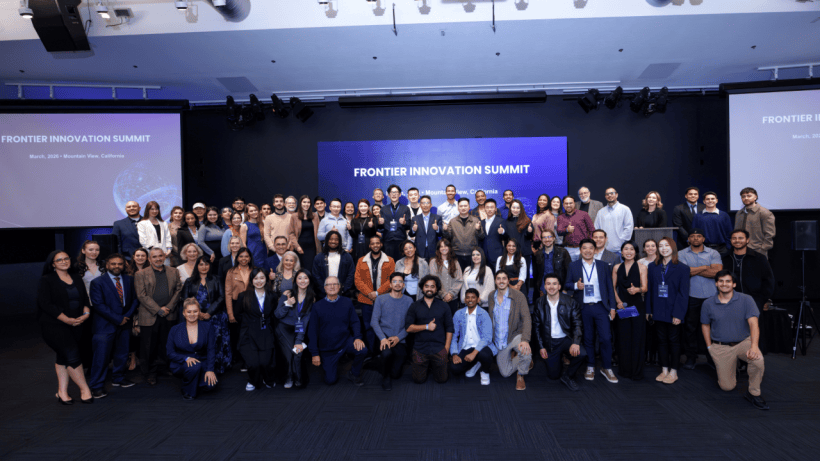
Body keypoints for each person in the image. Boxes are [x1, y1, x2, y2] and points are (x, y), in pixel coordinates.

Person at [701, 271, 768, 410]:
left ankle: (754, 393)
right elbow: (705, 325)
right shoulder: (708, 303)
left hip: (743, 342)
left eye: (728, 281)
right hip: (721, 346)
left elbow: (753, 324)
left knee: (758, 360)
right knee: (727, 387)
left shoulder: (746, 299)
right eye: (721, 281)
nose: (724, 284)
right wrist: (709, 347)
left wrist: (754, 346)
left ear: (734, 284)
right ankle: (733, 366)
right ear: (716, 284)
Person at [38, 250, 94, 404]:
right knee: (72, 355)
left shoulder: (76, 277)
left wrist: (86, 314)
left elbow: (85, 299)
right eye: (59, 260)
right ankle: (85, 389)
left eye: (66, 258)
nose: (64, 261)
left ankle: (62, 392)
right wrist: (66, 320)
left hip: (77, 323)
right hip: (54, 326)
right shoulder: (46, 280)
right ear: (53, 264)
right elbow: (45, 304)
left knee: (63, 357)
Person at [565, 238, 618, 383]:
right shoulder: (573, 265)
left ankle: (607, 367)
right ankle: (590, 365)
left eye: (590, 248)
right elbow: (567, 284)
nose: (587, 251)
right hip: (583, 307)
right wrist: (576, 286)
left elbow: (610, 287)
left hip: (601, 307)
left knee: (606, 338)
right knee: (588, 338)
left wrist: (613, 307)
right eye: (584, 248)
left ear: (595, 250)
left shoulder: (603, 265)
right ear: (580, 250)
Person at [88, 253, 138, 398]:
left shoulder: (129, 280)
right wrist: (118, 319)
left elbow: (135, 300)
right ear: (107, 265)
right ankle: (96, 386)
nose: (117, 266)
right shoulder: (97, 282)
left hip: (125, 323)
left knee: (122, 353)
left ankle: (118, 378)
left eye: (120, 264)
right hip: (104, 325)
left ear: (124, 265)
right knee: (101, 357)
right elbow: (98, 305)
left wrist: (126, 317)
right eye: (113, 264)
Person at [135, 247, 183, 385]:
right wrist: (158, 309)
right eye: (154, 257)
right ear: (149, 259)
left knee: (165, 343)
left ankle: (163, 368)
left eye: (160, 256)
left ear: (164, 257)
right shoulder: (141, 274)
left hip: (169, 314)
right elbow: (141, 295)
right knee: (149, 346)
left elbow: (178, 290)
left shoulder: (174, 271)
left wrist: (168, 307)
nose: (158, 259)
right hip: (149, 315)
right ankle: (150, 372)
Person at [308, 276, 368, 385]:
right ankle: (334, 362)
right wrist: (314, 353)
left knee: (362, 350)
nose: (332, 287)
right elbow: (312, 332)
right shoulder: (317, 307)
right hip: (328, 348)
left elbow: (355, 322)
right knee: (330, 381)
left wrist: (357, 338)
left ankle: (354, 373)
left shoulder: (347, 302)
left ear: (339, 287)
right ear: (324, 288)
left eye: (335, 284)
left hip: (345, 341)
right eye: (328, 284)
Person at [646, 237, 690, 384]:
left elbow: (683, 294)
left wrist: (678, 314)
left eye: (667, 245)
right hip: (658, 310)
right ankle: (664, 369)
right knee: (661, 341)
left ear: (673, 248)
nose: (664, 248)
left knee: (674, 341)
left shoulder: (683, 268)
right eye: (661, 246)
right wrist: (649, 310)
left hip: (674, 311)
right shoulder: (653, 267)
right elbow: (650, 290)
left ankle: (674, 371)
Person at [677, 229, 722, 370]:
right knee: (690, 328)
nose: (695, 238)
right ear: (688, 239)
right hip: (691, 296)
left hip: (711, 296)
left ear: (703, 239)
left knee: (713, 327)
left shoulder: (713, 253)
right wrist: (705, 267)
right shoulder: (681, 253)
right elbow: (684, 272)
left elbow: (717, 272)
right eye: (692, 236)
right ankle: (691, 357)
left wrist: (694, 270)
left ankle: (712, 358)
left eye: (699, 236)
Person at [533, 274, 586, 391]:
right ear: (544, 286)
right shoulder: (539, 302)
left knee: (581, 353)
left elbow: (577, 324)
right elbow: (536, 326)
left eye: (554, 284)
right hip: (550, 342)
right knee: (553, 376)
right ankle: (558, 361)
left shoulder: (571, 302)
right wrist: (541, 347)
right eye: (548, 284)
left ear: (559, 286)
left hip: (566, 338)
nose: (551, 287)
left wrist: (576, 342)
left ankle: (568, 376)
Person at [178, 255, 230, 374]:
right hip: (195, 317)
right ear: (197, 266)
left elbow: (222, 297)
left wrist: (208, 313)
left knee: (215, 342)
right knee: (200, 343)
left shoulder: (217, 279)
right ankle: (199, 368)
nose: (204, 267)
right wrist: (198, 314)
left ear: (210, 265)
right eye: (201, 264)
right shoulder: (189, 281)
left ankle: (217, 368)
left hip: (215, 316)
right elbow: (185, 299)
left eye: (206, 264)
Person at [405, 275, 454, 384]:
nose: (429, 289)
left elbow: (450, 328)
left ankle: (433, 366)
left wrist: (446, 349)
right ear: (422, 288)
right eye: (426, 286)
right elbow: (408, 328)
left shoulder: (444, 306)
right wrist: (426, 326)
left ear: (436, 289)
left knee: (442, 380)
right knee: (418, 380)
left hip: (439, 348)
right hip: (420, 348)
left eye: (432, 286)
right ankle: (428, 366)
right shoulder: (414, 306)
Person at [488, 271, 532, 390]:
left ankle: (521, 373)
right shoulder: (491, 296)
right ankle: (525, 361)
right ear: (495, 281)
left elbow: (527, 318)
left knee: (526, 353)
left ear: (508, 281)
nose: (501, 281)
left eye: (504, 278)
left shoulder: (519, 296)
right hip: (499, 339)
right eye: (498, 278)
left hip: (514, 335)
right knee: (505, 373)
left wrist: (525, 340)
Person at [166, 299, 218, 400]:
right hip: (181, 363)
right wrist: (186, 358)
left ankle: (194, 379)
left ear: (199, 312)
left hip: (202, 361)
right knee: (194, 366)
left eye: (195, 311)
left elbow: (211, 350)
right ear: (184, 313)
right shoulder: (175, 329)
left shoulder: (207, 327)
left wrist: (210, 370)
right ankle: (187, 390)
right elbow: (170, 352)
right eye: (189, 312)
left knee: (210, 386)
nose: (192, 314)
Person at [612, 241, 648, 380]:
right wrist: (618, 302)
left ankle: (636, 371)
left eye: (631, 249)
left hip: (637, 306)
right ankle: (625, 370)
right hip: (623, 307)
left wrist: (637, 289)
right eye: (626, 249)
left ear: (636, 252)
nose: (628, 252)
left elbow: (645, 288)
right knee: (623, 337)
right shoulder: (616, 267)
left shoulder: (642, 267)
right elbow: (612, 287)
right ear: (621, 252)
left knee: (637, 338)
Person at [371, 273, 414, 390]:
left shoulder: (409, 300)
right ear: (390, 285)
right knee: (386, 354)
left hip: (399, 338)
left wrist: (398, 337)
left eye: (400, 281)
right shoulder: (380, 299)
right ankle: (385, 377)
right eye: (394, 281)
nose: (397, 284)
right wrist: (382, 338)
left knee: (396, 374)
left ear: (404, 285)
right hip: (384, 336)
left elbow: (410, 324)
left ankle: (378, 363)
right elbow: (374, 321)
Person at [235, 269, 276, 391]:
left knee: (265, 363)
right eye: (256, 278)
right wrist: (250, 322)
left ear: (266, 279)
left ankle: (267, 379)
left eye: (262, 278)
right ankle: (253, 381)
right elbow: (237, 314)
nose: (259, 281)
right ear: (251, 281)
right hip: (248, 334)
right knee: (253, 364)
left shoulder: (272, 296)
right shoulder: (243, 296)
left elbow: (274, 315)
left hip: (266, 333)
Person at [275, 269, 316, 388]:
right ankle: (288, 377)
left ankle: (298, 377)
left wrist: (299, 341)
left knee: (297, 354)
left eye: (305, 278)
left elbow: (305, 321)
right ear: (295, 280)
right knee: (288, 355)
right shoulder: (287, 293)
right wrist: (287, 304)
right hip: (284, 329)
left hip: (299, 329)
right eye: (300, 278)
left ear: (309, 280)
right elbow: (277, 314)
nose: (303, 281)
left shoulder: (311, 298)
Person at [354, 236, 395, 353]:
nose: (375, 245)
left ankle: (383, 352)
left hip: (384, 299)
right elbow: (357, 280)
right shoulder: (361, 260)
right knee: (368, 326)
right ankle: (371, 352)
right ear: (369, 246)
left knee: (384, 326)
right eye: (373, 243)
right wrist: (369, 293)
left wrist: (377, 293)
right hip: (366, 300)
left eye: (377, 243)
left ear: (381, 244)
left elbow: (391, 279)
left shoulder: (390, 260)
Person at [450, 288, 495, 386]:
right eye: (468, 297)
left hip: (482, 347)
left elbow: (487, 338)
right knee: (455, 369)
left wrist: (474, 353)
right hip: (466, 347)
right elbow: (454, 336)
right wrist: (454, 354)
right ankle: (476, 363)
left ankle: (485, 372)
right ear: (465, 300)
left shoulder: (484, 314)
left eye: (473, 297)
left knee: (484, 355)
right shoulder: (458, 314)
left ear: (478, 299)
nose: (470, 300)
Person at [723, 229, 775, 311]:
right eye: (734, 238)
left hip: (754, 301)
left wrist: (761, 300)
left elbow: (768, 281)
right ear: (730, 240)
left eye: (740, 238)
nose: (737, 240)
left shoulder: (759, 258)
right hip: (729, 301)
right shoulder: (724, 258)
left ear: (747, 240)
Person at [224, 247, 255, 371]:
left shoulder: (255, 270)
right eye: (241, 256)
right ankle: (240, 358)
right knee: (238, 334)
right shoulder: (231, 272)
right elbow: (228, 294)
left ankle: (249, 360)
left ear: (250, 258)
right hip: (237, 306)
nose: (244, 259)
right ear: (237, 258)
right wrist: (230, 314)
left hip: (252, 305)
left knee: (250, 334)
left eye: (246, 256)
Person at [443, 198, 486, 272]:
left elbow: (481, 237)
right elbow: (447, 237)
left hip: (472, 255)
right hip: (456, 254)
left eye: (465, 206)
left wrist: (478, 230)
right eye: (461, 206)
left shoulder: (475, 220)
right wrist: (445, 230)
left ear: (469, 207)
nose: (463, 208)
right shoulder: (453, 221)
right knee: (457, 275)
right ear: (458, 208)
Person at [500, 199, 534, 291]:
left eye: (517, 208)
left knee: (525, 276)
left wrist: (529, 231)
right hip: (511, 254)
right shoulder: (506, 222)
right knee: (510, 276)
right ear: (510, 209)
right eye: (513, 207)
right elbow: (506, 238)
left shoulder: (527, 221)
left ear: (521, 209)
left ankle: (525, 297)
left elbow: (529, 237)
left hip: (524, 253)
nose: (515, 210)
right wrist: (502, 232)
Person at [312, 230, 356, 298]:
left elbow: (351, 274)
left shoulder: (347, 257)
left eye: (336, 239)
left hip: (343, 294)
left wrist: (343, 289)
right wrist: (324, 289)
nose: (333, 241)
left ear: (339, 241)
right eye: (331, 239)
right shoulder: (319, 257)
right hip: (323, 295)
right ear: (326, 241)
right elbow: (316, 275)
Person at [734, 187, 776, 257]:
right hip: (740, 249)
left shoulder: (764, 212)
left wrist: (763, 249)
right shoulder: (739, 213)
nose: (746, 198)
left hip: (758, 250)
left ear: (755, 197)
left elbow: (770, 234)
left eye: (749, 196)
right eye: (743, 196)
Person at [125, 247, 149, 371]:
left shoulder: (151, 270)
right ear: (133, 257)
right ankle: (133, 358)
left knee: (145, 334)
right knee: (133, 334)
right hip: (132, 306)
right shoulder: (127, 271)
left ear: (147, 258)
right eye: (138, 255)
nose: (140, 258)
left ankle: (144, 359)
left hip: (148, 307)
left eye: (143, 255)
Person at [594, 187, 634, 257]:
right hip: (603, 251)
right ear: (605, 196)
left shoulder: (625, 209)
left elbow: (629, 228)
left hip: (619, 250)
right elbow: (596, 229)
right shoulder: (601, 212)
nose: (609, 195)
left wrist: (621, 243)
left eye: (612, 193)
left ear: (616, 195)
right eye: (607, 194)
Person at [691, 191, 733, 257]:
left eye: (712, 199)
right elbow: (693, 234)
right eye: (707, 199)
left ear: (716, 201)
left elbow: (729, 233)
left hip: (722, 249)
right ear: (704, 201)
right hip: (703, 249)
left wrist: (728, 247)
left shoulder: (724, 215)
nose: (710, 201)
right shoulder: (697, 216)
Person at [532, 229, 571, 298]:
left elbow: (569, 272)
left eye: (549, 237)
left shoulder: (563, 252)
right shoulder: (537, 254)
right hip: (543, 289)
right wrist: (538, 289)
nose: (547, 239)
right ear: (541, 240)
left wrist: (565, 289)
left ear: (554, 238)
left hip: (559, 288)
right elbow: (536, 275)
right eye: (544, 237)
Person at [428, 239, 463, 315]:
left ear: (449, 247)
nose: (444, 248)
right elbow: (434, 280)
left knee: (452, 320)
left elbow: (459, 280)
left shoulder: (455, 262)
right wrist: (443, 294)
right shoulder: (433, 262)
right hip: (438, 298)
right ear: (438, 249)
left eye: (446, 246)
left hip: (453, 299)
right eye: (441, 246)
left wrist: (451, 294)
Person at [558, 195, 595, 262]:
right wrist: (566, 230)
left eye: (570, 203)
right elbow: (559, 232)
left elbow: (592, 230)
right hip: (568, 249)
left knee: (584, 267)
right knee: (570, 268)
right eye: (566, 203)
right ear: (563, 205)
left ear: (574, 203)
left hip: (582, 248)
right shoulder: (561, 217)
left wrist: (588, 245)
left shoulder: (584, 214)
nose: (568, 205)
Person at [290, 195, 321, 272]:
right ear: (300, 203)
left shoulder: (315, 216)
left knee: (310, 269)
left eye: (308, 202)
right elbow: (291, 233)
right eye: (304, 202)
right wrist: (297, 247)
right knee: (299, 269)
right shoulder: (294, 216)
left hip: (312, 248)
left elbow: (319, 231)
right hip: (299, 247)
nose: (306, 204)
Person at [381, 184, 412, 261]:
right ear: (389, 195)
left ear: (400, 194)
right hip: (388, 241)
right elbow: (380, 228)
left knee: (401, 263)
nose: (394, 194)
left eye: (396, 192)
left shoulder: (405, 208)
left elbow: (409, 225)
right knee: (388, 263)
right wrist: (379, 223)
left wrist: (404, 223)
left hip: (401, 240)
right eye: (392, 192)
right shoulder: (384, 209)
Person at [409, 195, 443, 260]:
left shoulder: (437, 217)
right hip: (419, 249)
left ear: (431, 205)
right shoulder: (415, 218)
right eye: (423, 203)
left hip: (433, 249)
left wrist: (437, 229)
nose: (425, 205)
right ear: (420, 205)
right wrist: (413, 230)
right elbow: (411, 234)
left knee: (433, 266)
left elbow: (441, 233)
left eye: (427, 203)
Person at [481, 199, 506, 267]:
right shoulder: (481, 222)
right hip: (484, 256)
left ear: (495, 209)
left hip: (497, 255)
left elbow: (506, 236)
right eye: (487, 207)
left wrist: (503, 232)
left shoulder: (501, 221)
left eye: (492, 207)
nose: (489, 209)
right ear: (484, 209)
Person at [241, 203, 267, 268]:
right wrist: (247, 256)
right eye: (251, 211)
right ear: (247, 213)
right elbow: (243, 244)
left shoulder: (262, 224)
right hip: (252, 254)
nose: (254, 212)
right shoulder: (244, 226)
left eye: (255, 210)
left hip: (263, 252)